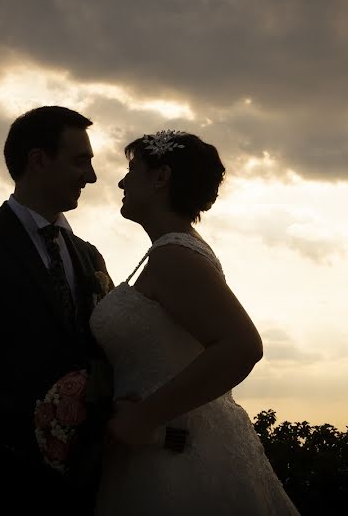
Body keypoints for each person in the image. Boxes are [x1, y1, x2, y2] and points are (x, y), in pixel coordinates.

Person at [91, 130, 301, 515]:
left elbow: (242, 347)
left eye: (132, 169)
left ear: (160, 178)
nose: (122, 181)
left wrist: (145, 417)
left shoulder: (175, 255)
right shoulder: (168, 251)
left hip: (172, 456)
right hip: (158, 448)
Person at [0, 106, 114, 514]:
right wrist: (46, 430)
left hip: (89, 487)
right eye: (80, 161)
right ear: (38, 160)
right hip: (6, 485)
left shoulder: (90, 257)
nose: (92, 176)